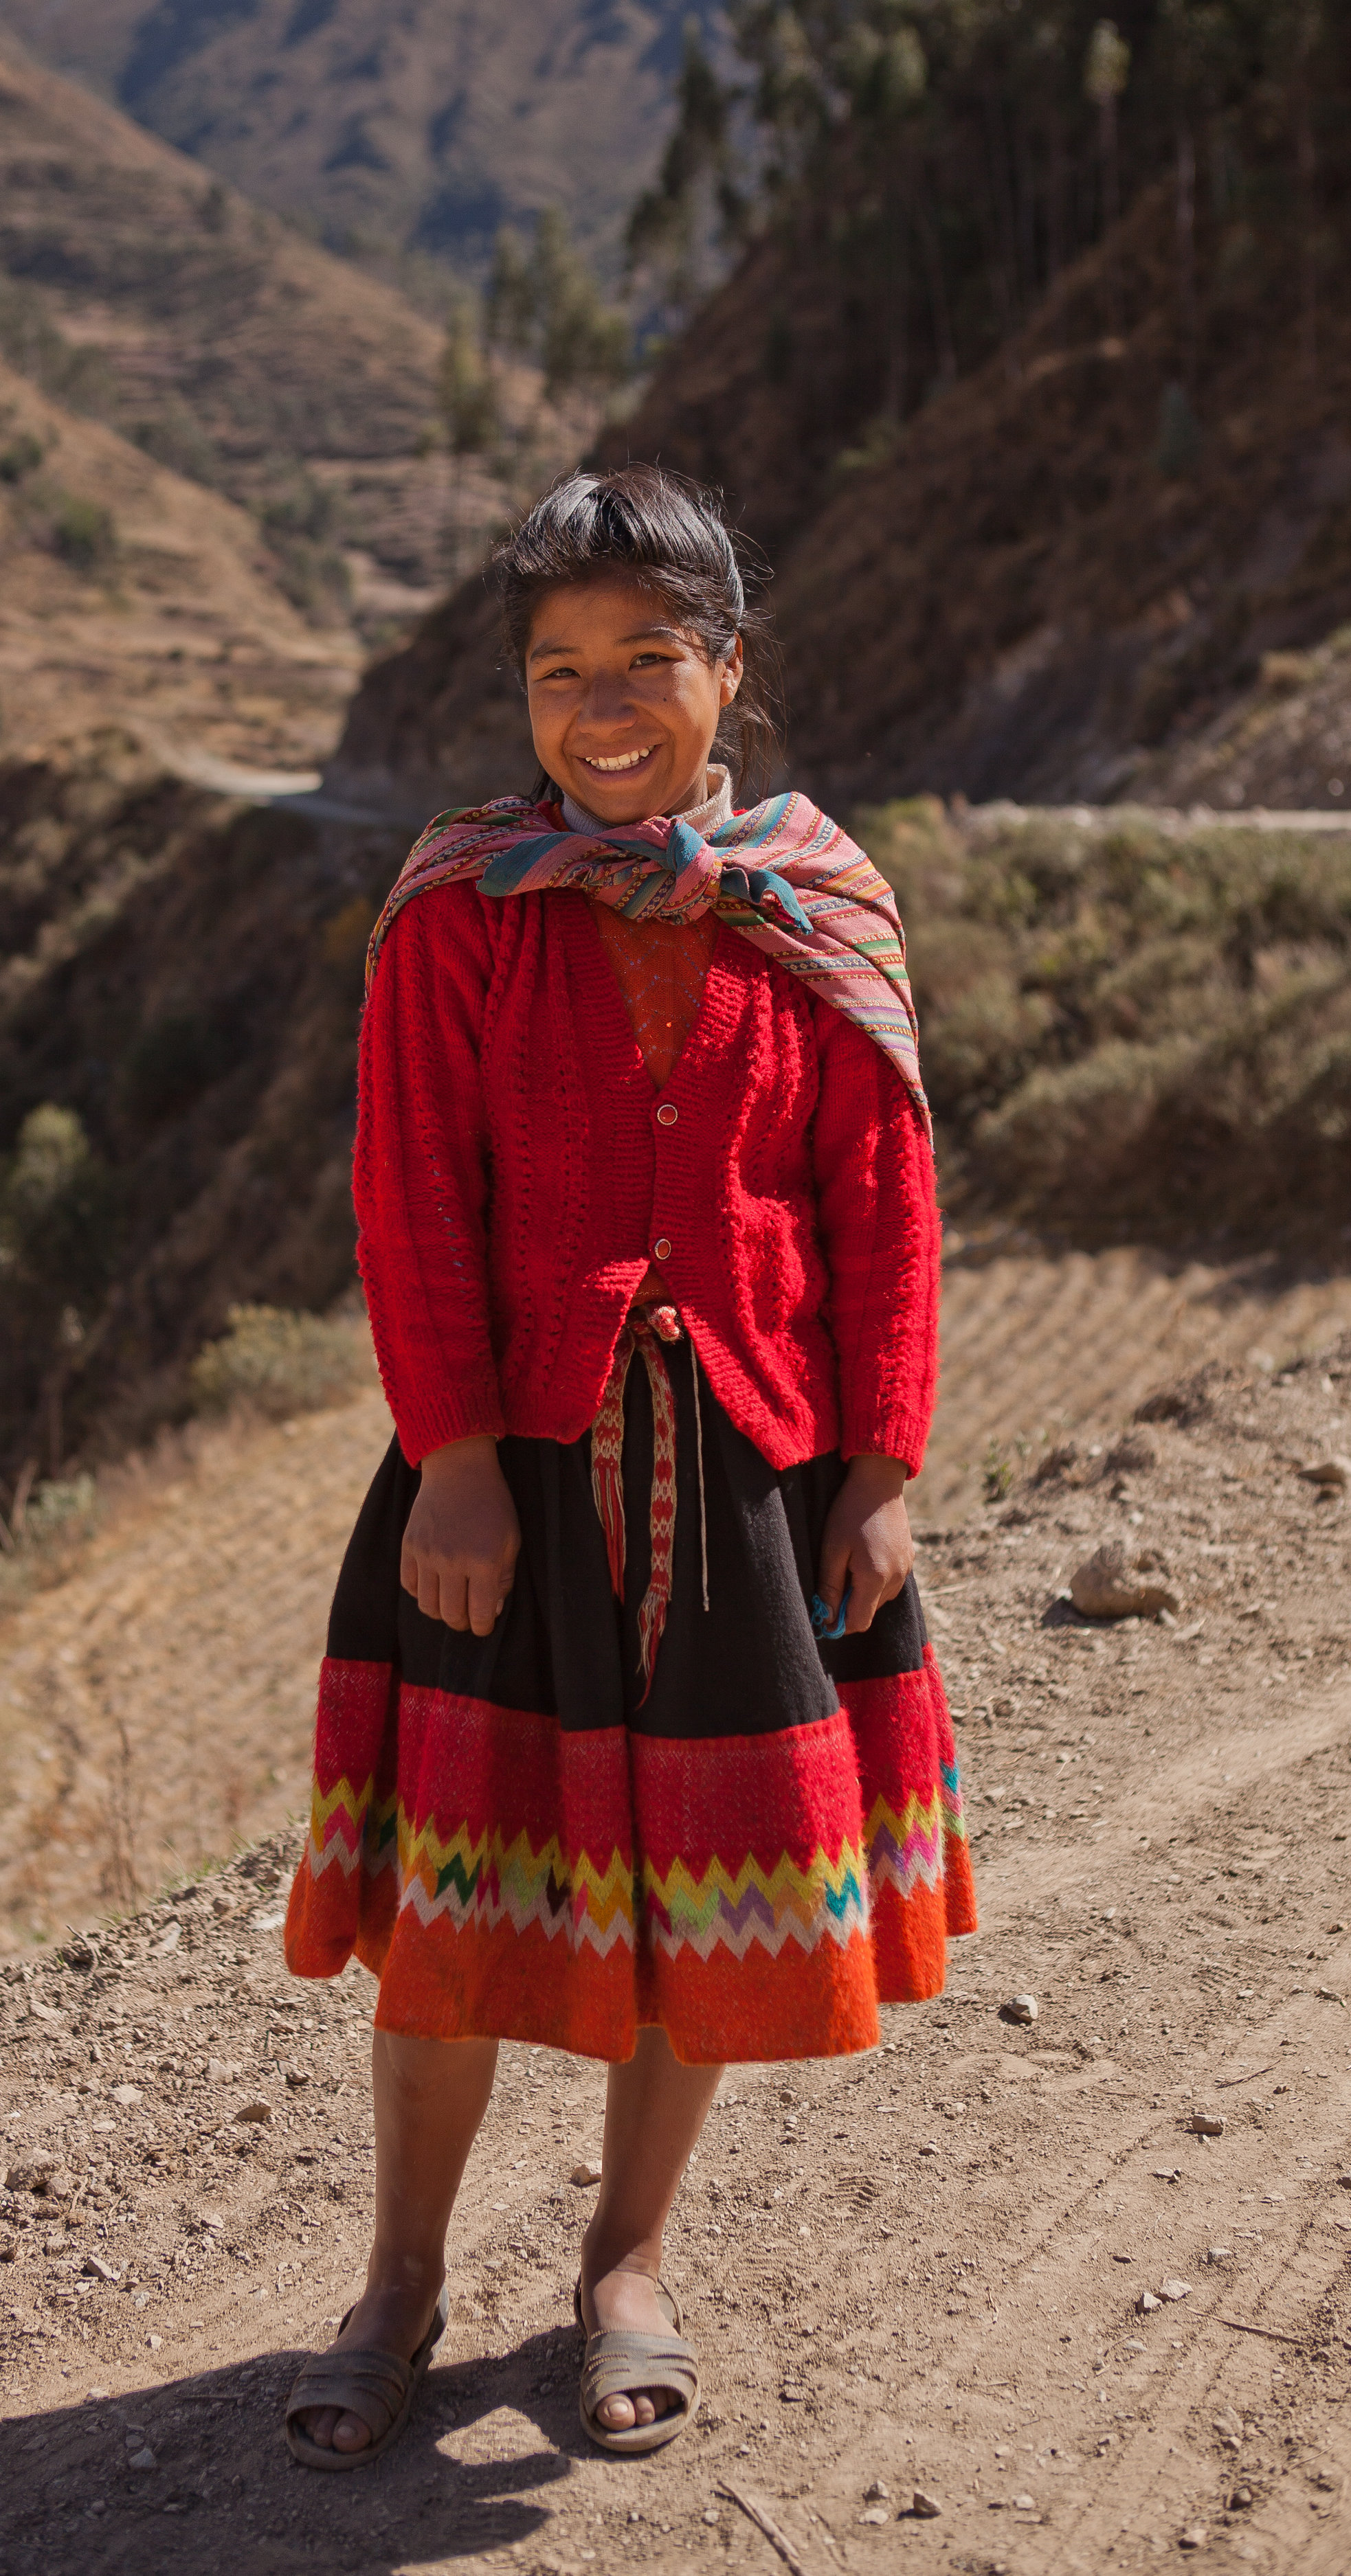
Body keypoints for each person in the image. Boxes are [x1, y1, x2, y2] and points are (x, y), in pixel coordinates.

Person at [280, 464, 975, 2469]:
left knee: (698, 1890)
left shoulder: (812, 906)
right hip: (510, 1479)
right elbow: (410, 1200)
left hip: (751, 1474)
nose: (598, 706)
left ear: (726, 671)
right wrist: (458, 1468)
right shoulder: (463, 912)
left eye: (644, 662)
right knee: (457, 1904)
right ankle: (399, 2283)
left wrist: (878, 1465)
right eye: (555, 668)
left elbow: (880, 1209)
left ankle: (624, 2265)